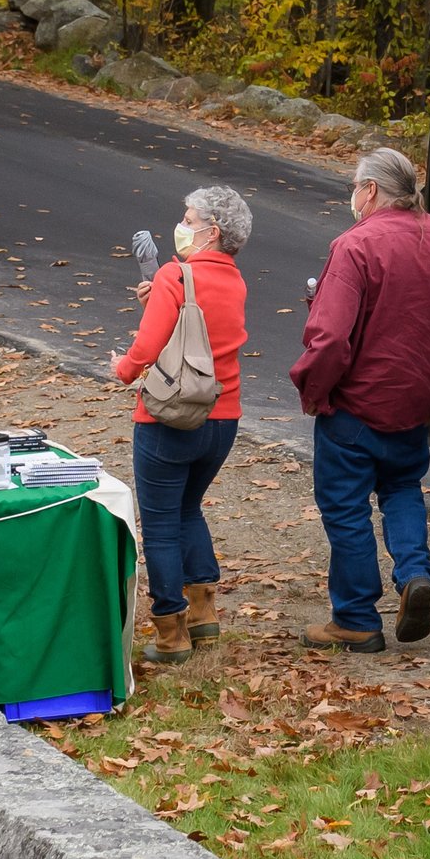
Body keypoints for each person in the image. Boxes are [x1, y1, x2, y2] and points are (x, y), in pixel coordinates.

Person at [291, 148, 430, 653]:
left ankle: (356, 618)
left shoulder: (356, 245)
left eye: (355, 188)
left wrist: (313, 391)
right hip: (416, 401)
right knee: (403, 489)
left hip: (355, 403)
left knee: (345, 509)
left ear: (369, 191)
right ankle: (413, 574)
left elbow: (329, 340)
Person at [113, 184, 251, 664]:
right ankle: (204, 616)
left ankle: (170, 633)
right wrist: (163, 295)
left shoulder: (177, 275)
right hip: (223, 417)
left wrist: (122, 368)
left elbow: (148, 349)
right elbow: (205, 328)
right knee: (189, 508)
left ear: (211, 232)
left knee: (160, 524)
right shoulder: (233, 279)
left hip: (170, 417)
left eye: (189, 219)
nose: (181, 226)